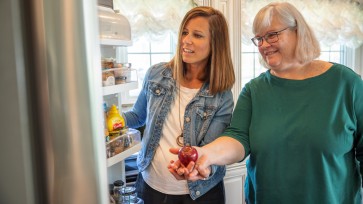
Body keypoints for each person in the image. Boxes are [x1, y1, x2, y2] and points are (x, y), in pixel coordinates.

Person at [168, 2, 363, 204]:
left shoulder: (346, 84)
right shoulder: (254, 90)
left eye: (272, 35)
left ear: (298, 31)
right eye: (259, 38)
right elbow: (237, 138)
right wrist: (205, 153)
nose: (263, 45)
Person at [123, 6, 235, 204]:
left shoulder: (221, 95)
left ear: (215, 44)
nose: (186, 40)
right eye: (184, 32)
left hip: (200, 193)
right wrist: (105, 119)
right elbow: (137, 116)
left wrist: (201, 168)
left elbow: (214, 150)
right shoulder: (157, 74)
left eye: (197, 35)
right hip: (150, 186)